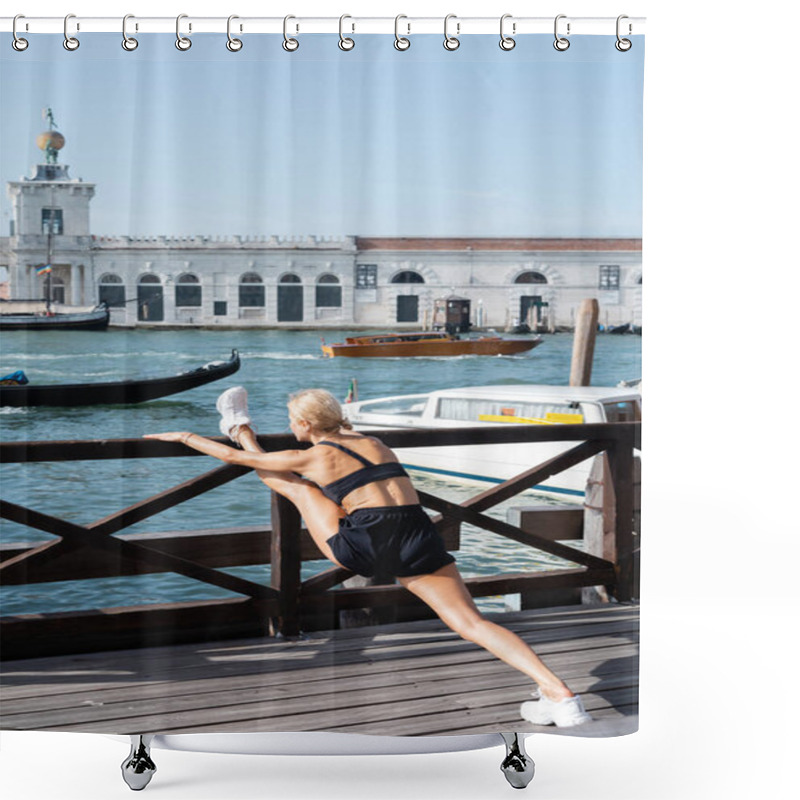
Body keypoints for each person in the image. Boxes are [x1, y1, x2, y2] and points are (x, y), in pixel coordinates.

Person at [144, 386, 591, 728]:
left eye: (293, 421)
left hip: (367, 546)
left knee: (294, 486)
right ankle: (560, 695)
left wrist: (185, 435)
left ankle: (238, 425)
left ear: (304, 423)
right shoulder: (376, 443)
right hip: (417, 534)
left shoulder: (315, 456)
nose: (293, 427)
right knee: (473, 624)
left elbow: (234, 462)